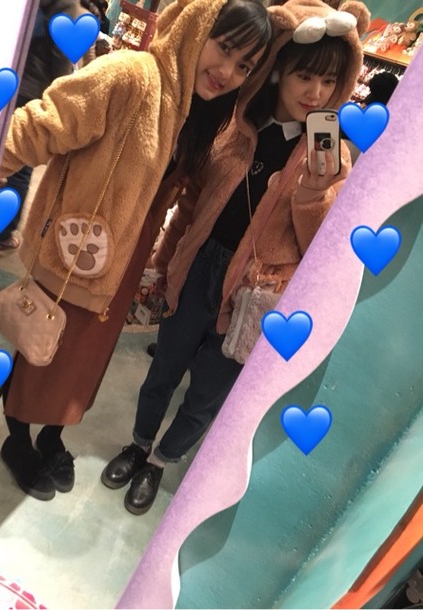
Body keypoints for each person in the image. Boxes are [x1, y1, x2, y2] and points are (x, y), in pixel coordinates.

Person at [0, 0, 273, 501]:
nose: (228, 72)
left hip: (126, 254)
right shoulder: (131, 75)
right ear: (196, 28)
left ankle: (53, 435)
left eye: (245, 66)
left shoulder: (200, 114)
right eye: (225, 48)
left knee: (86, 360)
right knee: (42, 347)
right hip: (76, 246)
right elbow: (42, 124)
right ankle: (17, 438)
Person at [101, 0, 370, 515]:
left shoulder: (331, 154)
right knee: (163, 370)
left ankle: (158, 462)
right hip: (198, 267)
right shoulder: (234, 127)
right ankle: (137, 444)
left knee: (206, 394)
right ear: (278, 72)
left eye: (329, 82)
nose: (316, 93)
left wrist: (313, 192)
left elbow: (323, 246)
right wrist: (164, 262)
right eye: (305, 77)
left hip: (254, 293)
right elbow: (191, 204)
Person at [0, 0, 87, 257]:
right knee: (21, 165)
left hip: (3, 84)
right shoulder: (69, 10)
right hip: (32, 93)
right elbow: (61, 67)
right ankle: (1, 235)